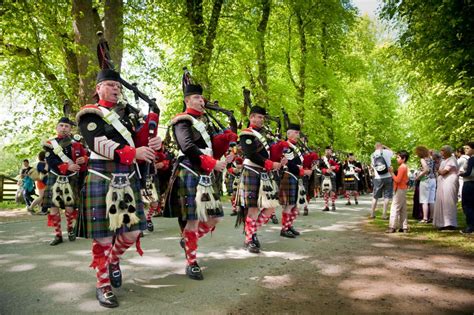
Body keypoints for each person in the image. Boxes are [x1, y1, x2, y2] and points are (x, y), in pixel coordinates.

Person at [76, 69, 161, 308]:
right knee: (103, 238)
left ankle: (113, 260)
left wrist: (153, 140)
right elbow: (97, 143)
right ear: (98, 88)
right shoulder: (90, 114)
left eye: (118, 86)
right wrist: (133, 153)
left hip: (127, 175)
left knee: (132, 233)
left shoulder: (125, 117)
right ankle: (102, 284)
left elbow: (137, 140)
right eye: (111, 85)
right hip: (101, 174)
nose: (116, 89)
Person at [163, 83, 237, 280]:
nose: (201, 101)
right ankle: (192, 262)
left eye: (202, 98)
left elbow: (212, 147)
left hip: (204, 171)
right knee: (193, 219)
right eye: (196, 97)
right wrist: (212, 162)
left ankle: (188, 240)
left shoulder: (204, 123)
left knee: (213, 217)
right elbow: (187, 146)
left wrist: (226, 140)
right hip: (188, 168)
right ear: (187, 100)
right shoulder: (182, 121)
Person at [238, 105, 288, 253]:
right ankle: (250, 238)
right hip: (252, 170)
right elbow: (252, 154)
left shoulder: (264, 135)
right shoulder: (246, 134)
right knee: (253, 208)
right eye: (259, 117)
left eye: (262, 117)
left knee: (271, 206)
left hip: (265, 173)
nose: (261, 120)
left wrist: (279, 161)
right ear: (251, 117)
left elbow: (268, 154)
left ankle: (251, 231)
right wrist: (271, 164)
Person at [43, 117, 87, 246]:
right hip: (55, 176)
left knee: (69, 207)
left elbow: (84, 158)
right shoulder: (50, 143)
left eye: (66, 126)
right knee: (53, 207)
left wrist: (83, 160)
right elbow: (51, 161)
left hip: (71, 177)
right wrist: (67, 166)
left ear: (70, 128)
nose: (63, 128)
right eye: (61, 125)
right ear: (57, 128)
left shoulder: (77, 143)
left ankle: (70, 228)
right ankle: (58, 235)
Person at [279, 123, 312, 238]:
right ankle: (284, 229)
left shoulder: (295, 147)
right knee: (289, 204)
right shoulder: (286, 146)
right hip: (289, 175)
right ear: (289, 133)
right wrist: (303, 172)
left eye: (298, 133)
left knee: (295, 205)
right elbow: (290, 164)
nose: (298, 135)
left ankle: (289, 225)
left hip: (296, 177)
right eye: (296, 132)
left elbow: (299, 163)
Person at [433, 145, 459, 230]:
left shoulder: (452, 159)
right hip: (443, 183)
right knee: (442, 201)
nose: (441, 152)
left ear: (448, 151)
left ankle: (450, 223)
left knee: (448, 202)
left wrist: (438, 170)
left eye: (443, 150)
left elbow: (444, 171)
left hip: (449, 182)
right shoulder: (444, 160)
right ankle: (442, 223)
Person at [386, 150, 409, 233]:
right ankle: (404, 227)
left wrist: (391, 173)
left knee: (394, 208)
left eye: (398, 157)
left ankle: (392, 227)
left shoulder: (402, 167)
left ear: (404, 158)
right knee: (403, 209)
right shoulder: (404, 167)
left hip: (400, 189)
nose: (397, 159)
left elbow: (397, 180)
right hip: (402, 189)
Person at [369, 143, 393, 219]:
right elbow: (392, 151)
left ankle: (372, 214)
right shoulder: (387, 152)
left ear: (375, 147)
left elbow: (373, 165)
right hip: (388, 176)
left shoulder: (372, 155)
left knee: (375, 196)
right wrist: (385, 146)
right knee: (387, 196)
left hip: (377, 178)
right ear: (381, 146)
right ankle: (384, 215)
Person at [414, 146, 436, 223]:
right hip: (433, 179)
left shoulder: (422, 159)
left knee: (424, 200)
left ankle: (425, 218)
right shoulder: (431, 159)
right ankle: (432, 217)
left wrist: (418, 177)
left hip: (425, 180)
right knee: (431, 200)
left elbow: (426, 169)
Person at [319, 146, 340, 211]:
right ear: (325, 151)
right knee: (325, 191)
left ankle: (333, 204)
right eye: (326, 150)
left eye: (329, 150)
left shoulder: (335, 158)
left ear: (331, 151)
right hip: (324, 176)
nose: (328, 151)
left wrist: (334, 167)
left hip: (332, 176)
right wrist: (325, 170)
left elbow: (338, 166)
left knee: (332, 191)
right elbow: (320, 167)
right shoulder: (322, 159)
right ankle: (326, 206)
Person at [459, 141, 474, 234]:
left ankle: (470, 227)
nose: (465, 150)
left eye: (467, 148)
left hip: (469, 183)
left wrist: (461, 174)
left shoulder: (472, 159)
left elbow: (468, 173)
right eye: (465, 148)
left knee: (467, 205)